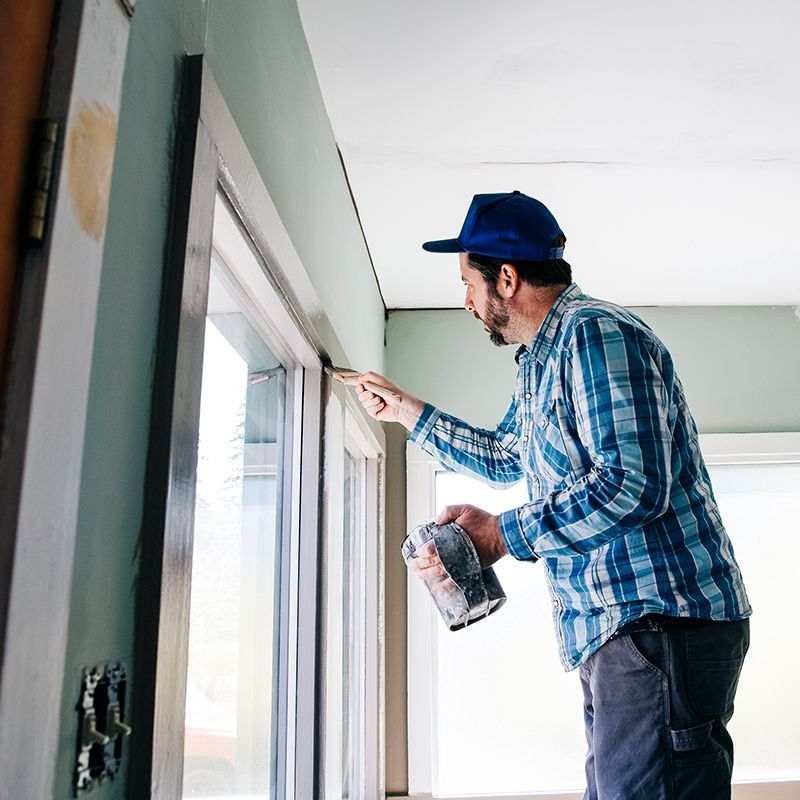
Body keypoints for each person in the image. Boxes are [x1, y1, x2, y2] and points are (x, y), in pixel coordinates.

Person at [356, 191, 751, 800]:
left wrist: (500, 535)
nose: (465, 299)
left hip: (656, 623)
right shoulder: (541, 360)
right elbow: (506, 456)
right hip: (625, 630)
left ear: (506, 278)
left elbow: (634, 485)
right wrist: (404, 410)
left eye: (468, 281)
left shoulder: (596, 336)